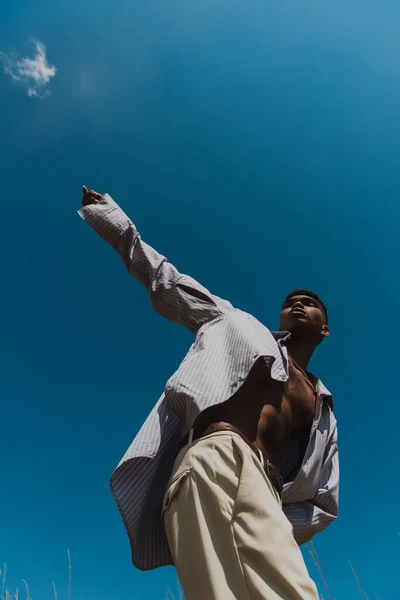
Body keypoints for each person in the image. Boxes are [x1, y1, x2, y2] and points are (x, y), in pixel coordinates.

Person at [79, 186, 339, 600]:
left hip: (268, 487)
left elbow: (324, 497)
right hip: (210, 453)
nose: (298, 304)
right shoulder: (235, 321)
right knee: (215, 591)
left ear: (324, 329)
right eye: (292, 300)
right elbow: (166, 280)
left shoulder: (322, 409)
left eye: (309, 303)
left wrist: (278, 510)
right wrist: (115, 224)